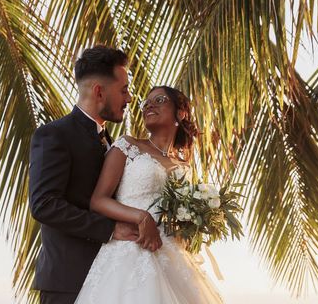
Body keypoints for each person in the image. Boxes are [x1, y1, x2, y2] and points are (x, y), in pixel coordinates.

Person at [29, 45, 160, 304]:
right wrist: (110, 229)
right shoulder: (54, 135)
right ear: (99, 91)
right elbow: (44, 205)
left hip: (114, 280)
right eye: (123, 90)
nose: (130, 98)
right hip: (69, 282)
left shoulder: (114, 144)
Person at [75, 86, 224, 303]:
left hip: (172, 256)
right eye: (146, 103)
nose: (148, 105)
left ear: (180, 113)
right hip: (130, 250)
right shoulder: (127, 146)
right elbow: (98, 200)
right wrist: (141, 217)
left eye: (159, 100)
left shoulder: (184, 167)